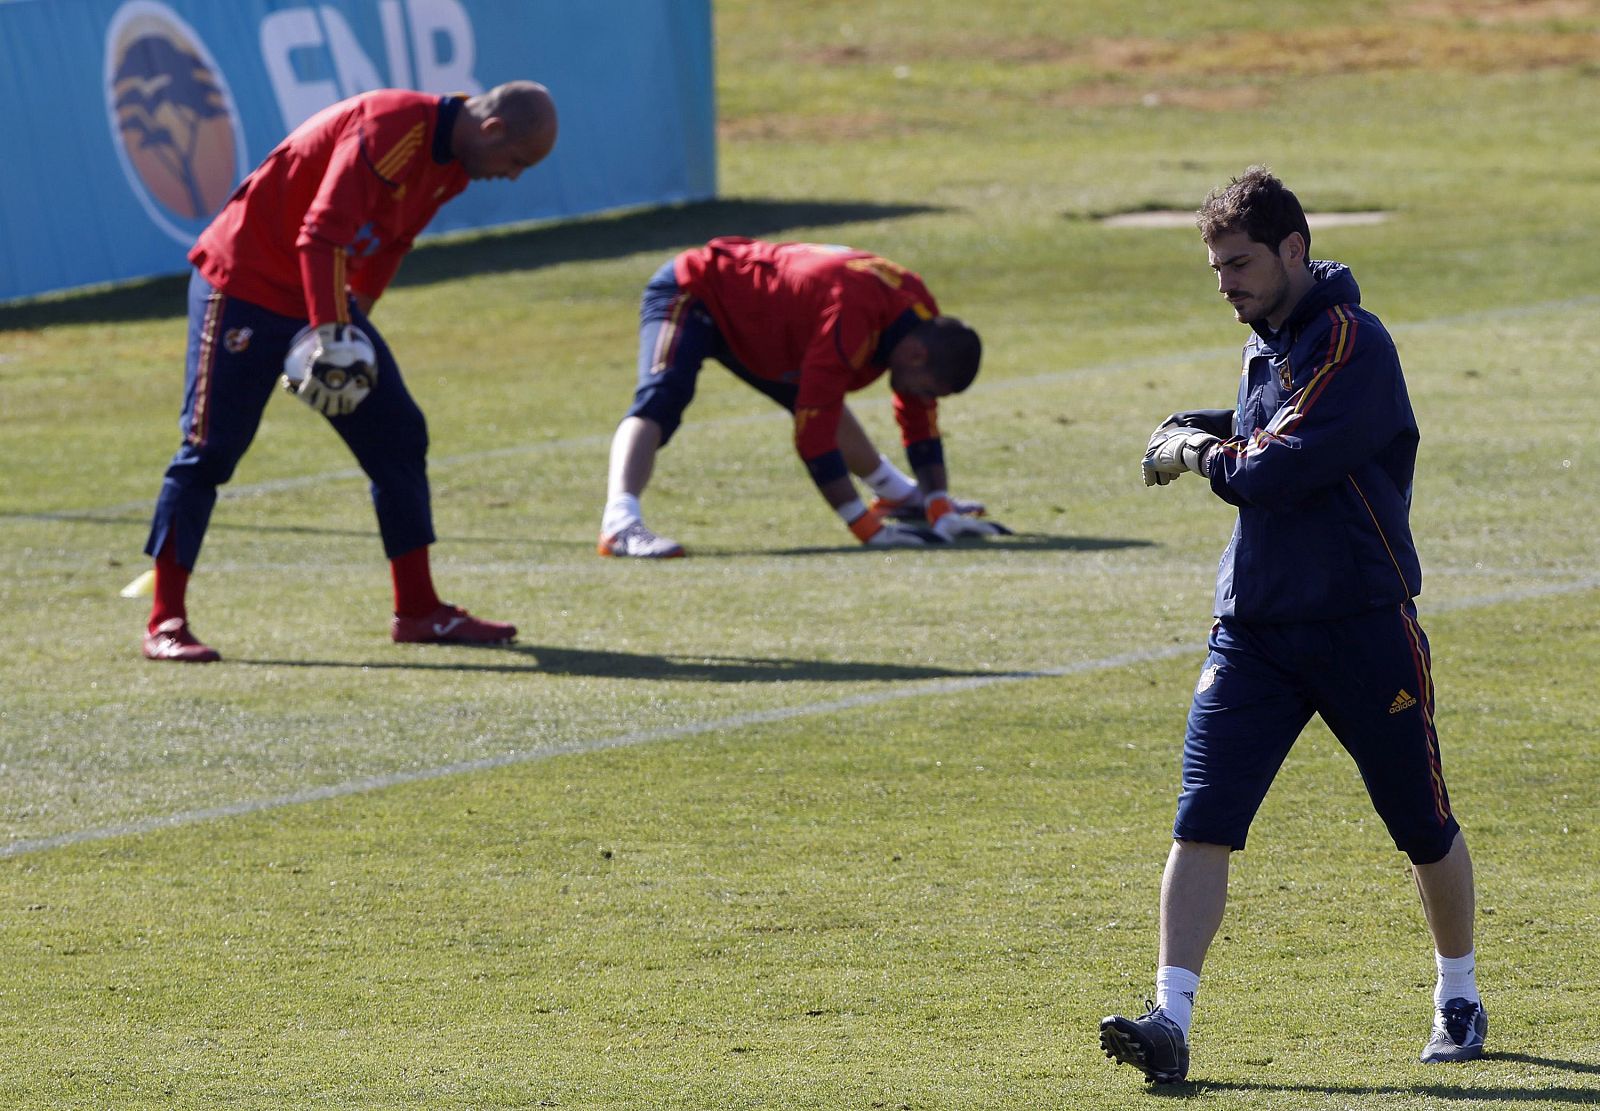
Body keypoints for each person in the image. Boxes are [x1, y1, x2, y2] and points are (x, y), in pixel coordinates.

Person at [1099, 167, 1484, 1083]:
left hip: (1360, 625)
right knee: (1204, 819)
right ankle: (1171, 1017)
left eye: (1239, 263)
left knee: (1420, 821)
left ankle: (1459, 994)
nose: (1224, 282)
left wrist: (1192, 450)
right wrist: (1192, 423)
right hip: (1255, 630)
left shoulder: (1354, 341)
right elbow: (1255, 424)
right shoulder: (1268, 341)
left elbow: (1272, 466)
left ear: (1294, 251)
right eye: (1215, 267)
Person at [140, 82, 558, 662]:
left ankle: (417, 611)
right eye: (517, 162)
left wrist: (351, 329)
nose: (513, 175)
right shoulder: (393, 127)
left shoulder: (455, 162)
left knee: (399, 433)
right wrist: (333, 334)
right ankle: (165, 621)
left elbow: (389, 243)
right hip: (245, 281)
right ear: (492, 130)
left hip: (318, 289)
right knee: (210, 449)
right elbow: (321, 233)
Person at [597, 237, 1007, 557]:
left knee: (820, 399)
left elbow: (916, 411)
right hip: (697, 290)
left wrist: (938, 502)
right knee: (661, 397)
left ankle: (902, 497)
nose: (924, 398)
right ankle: (620, 523)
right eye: (928, 389)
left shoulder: (918, 320)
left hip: (765, 325)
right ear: (918, 356)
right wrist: (864, 528)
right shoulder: (854, 315)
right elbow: (813, 437)